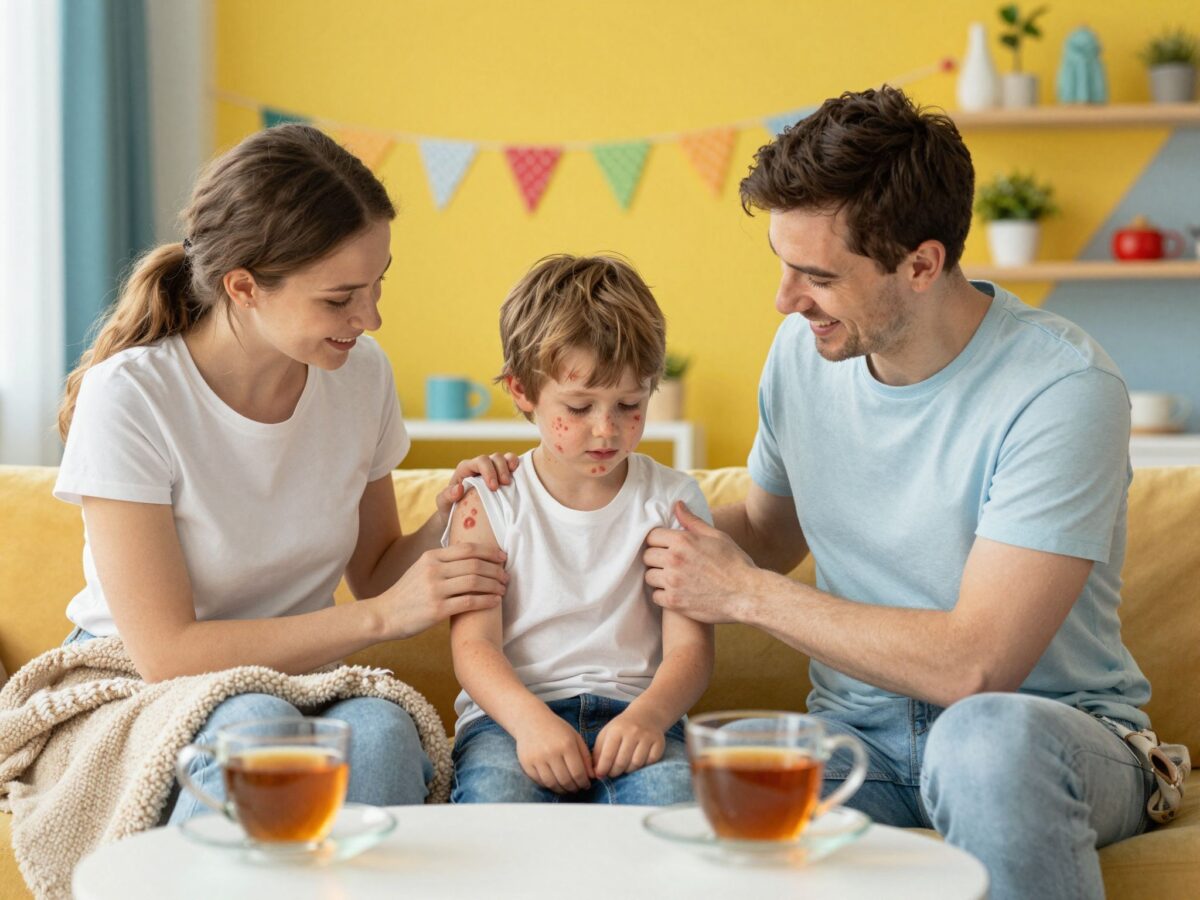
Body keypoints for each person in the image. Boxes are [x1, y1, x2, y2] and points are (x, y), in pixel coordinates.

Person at [643, 87, 1158, 898]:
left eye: (816, 275)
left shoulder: (1062, 388)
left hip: (1048, 735)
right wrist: (587, 498)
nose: (785, 299)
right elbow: (769, 534)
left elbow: (978, 667)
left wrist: (747, 595)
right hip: (862, 741)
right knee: (691, 783)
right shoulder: (802, 353)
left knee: (982, 741)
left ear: (921, 264)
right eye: (782, 264)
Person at [54, 123, 517, 822]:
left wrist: (450, 518)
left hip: (296, 674)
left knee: (386, 736)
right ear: (243, 287)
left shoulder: (360, 375)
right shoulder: (132, 395)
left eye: (376, 285)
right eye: (339, 298)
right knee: (259, 731)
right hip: (140, 676)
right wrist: (383, 617)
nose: (372, 318)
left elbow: (376, 571)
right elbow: (166, 652)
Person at [447, 254, 714, 804]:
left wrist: (649, 718)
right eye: (580, 405)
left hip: (639, 716)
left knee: (671, 804)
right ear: (523, 392)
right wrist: (529, 723)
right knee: (496, 802)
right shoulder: (490, 502)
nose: (606, 429)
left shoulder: (673, 499)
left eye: (629, 404)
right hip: (510, 721)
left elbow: (691, 649)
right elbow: (473, 644)